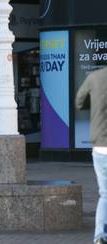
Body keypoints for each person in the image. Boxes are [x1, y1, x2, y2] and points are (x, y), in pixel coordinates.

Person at [76, 66, 107, 244]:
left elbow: (79, 102)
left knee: (104, 194)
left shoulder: (94, 77)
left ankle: (99, 236)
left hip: (101, 146)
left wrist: (95, 103)